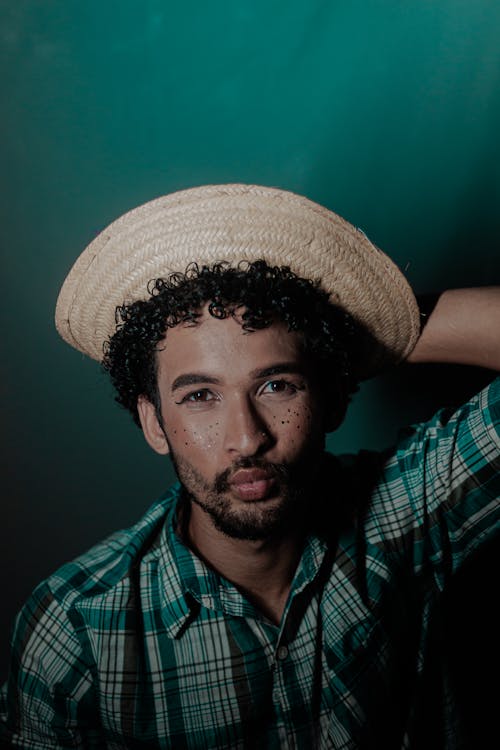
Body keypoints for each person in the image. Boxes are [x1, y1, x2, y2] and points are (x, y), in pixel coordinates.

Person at [1, 184, 499, 749]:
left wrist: (361, 332)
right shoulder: (75, 632)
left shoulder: (400, 515)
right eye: (199, 396)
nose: (246, 438)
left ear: (331, 399)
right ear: (154, 423)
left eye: (276, 385)